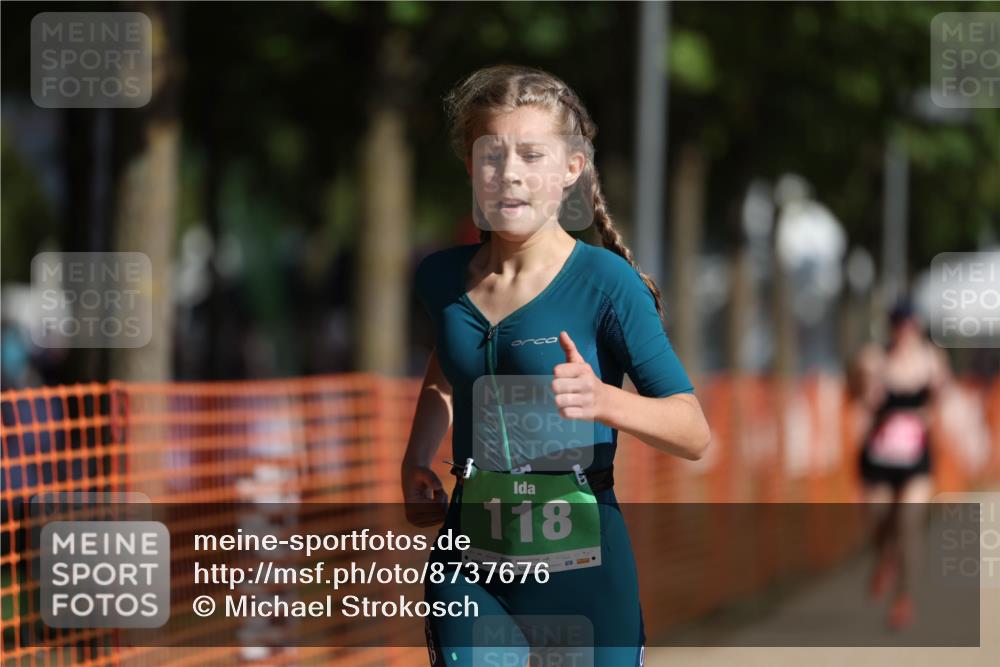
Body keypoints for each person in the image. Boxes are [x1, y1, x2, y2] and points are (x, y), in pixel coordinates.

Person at [401, 65, 711, 667]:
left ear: (572, 168)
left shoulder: (606, 283)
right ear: (470, 164)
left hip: (583, 570)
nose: (510, 173)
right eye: (492, 155)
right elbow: (451, 362)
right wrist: (416, 458)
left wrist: (604, 401)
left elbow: (693, 431)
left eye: (532, 155)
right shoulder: (440, 278)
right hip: (471, 567)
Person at [849, 298, 952, 631]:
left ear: (917, 326)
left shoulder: (932, 360)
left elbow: (943, 401)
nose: (904, 330)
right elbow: (854, 395)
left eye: (909, 324)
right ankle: (884, 556)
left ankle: (903, 598)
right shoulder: (873, 358)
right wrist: (865, 390)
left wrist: (932, 405)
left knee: (909, 523)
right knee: (878, 518)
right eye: (898, 323)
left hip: (915, 457)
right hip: (879, 455)